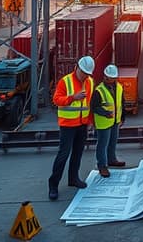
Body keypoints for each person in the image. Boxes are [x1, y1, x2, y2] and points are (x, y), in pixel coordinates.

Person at [48, 55, 95, 201]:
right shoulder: (65, 81)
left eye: (87, 74)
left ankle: (73, 179)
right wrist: (73, 97)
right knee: (63, 155)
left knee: (77, 154)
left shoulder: (90, 82)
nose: (85, 76)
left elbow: (90, 103)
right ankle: (53, 185)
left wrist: (90, 122)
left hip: (82, 124)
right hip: (68, 125)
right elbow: (56, 100)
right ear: (77, 68)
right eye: (83, 73)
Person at [91, 64, 125, 177]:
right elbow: (94, 107)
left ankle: (111, 159)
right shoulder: (99, 90)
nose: (108, 79)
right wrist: (105, 113)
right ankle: (102, 166)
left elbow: (121, 103)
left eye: (111, 78)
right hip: (103, 122)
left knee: (113, 142)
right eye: (107, 77)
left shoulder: (119, 87)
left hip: (115, 121)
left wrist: (122, 117)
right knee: (102, 144)